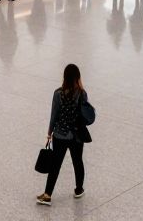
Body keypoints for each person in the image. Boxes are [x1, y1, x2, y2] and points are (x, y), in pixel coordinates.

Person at [36, 63, 91, 205]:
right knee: (77, 162)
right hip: (76, 135)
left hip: (60, 135)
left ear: (64, 77)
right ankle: (79, 189)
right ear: (78, 77)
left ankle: (48, 194)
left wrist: (49, 132)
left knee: (55, 165)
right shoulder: (82, 93)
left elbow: (53, 115)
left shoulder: (58, 93)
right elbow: (85, 113)